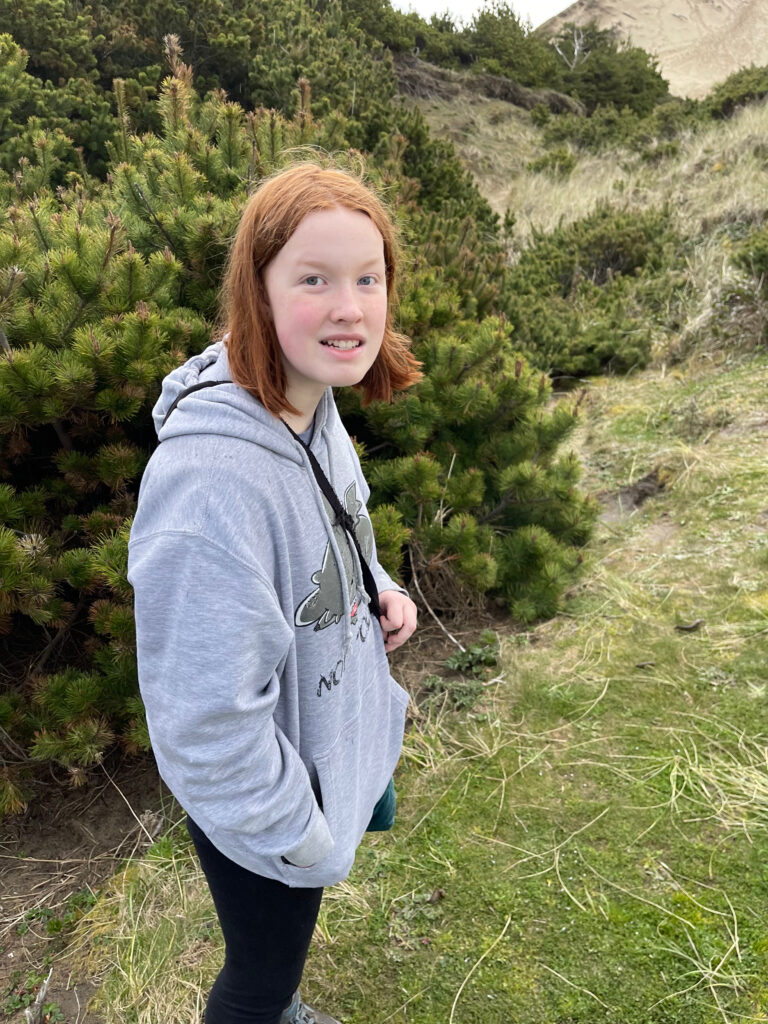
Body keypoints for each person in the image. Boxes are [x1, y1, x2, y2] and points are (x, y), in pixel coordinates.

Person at [127, 162, 421, 1024]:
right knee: (256, 980)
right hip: (274, 814)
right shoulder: (209, 483)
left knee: (279, 968)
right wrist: (301, 831)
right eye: (314, 279)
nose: (350, 307)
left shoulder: (310, 404)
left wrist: (380, 586)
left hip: (324, 759)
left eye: (369, 278)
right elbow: (203, 726)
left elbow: (342, 522)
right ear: (257, 289)